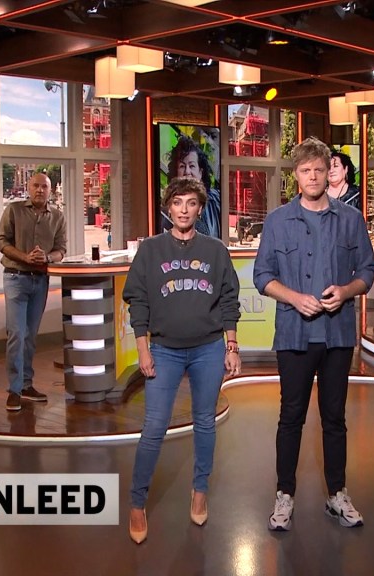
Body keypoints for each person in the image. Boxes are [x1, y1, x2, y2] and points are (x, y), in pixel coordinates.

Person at [253, 137, 374, 532]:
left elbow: (368, 270)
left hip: (337, 335)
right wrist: (294, 298)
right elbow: (262, 276)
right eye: (305, 171)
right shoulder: (277, 221)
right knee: (290, 417)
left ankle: (337, 494)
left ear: (329, 173)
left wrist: (346, 291)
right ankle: (284, 495)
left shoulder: (350, 219)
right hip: (294, 335)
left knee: (334, 418)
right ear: (296, 175)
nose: (312, 176)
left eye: (319, 170)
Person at [123, 176, 242, 544]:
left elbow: (228, 300)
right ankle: (137, 503)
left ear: (200, 209)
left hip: (208, 349)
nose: (184, 210)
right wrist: (143, 348)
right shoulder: (151, 250)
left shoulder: (215, 250)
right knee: (154, 427)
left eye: (191, 203)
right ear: (168, 208)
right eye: (177, 203)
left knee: (205, 423)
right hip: (163, 350)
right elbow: (138, 300)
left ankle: (200, 490)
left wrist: (232, 346)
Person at [0, 172, 67, 410]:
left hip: (40, 281)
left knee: (30, 336)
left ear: (50, 190)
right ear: (28, 187)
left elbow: (61, 250)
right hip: (15, 278)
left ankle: (26, 385)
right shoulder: (14, 210)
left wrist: (47, 257)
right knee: (17, 334)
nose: (39, 190)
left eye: (44, 186)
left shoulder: (57, 216)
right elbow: (1, 241)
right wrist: (25, 257)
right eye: (35, 185)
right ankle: (14, 390)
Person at [163, 136, 222, 240]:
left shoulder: (217, 200)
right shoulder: (167, 208)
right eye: (182, 166)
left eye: (192, 166)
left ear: (200, 172)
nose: (187, 172)